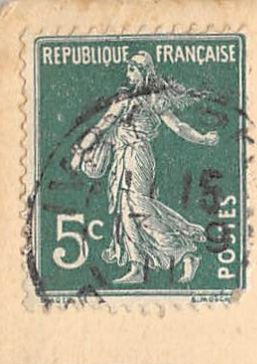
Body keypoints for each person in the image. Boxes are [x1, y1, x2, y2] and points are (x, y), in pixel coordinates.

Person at [71, 52, 218, 285]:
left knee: (138, 206)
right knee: (126, 209)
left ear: (144, 72)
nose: (128, 75)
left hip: (138, 156)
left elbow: (178, 126)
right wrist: (80, 151)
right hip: (122, 157)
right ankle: (137, 266)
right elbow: (101, 127)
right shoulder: (124, 98)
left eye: (132, 70)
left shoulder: (153, 99)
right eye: (128, 70)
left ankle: (184, 253)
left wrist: (202, 138)